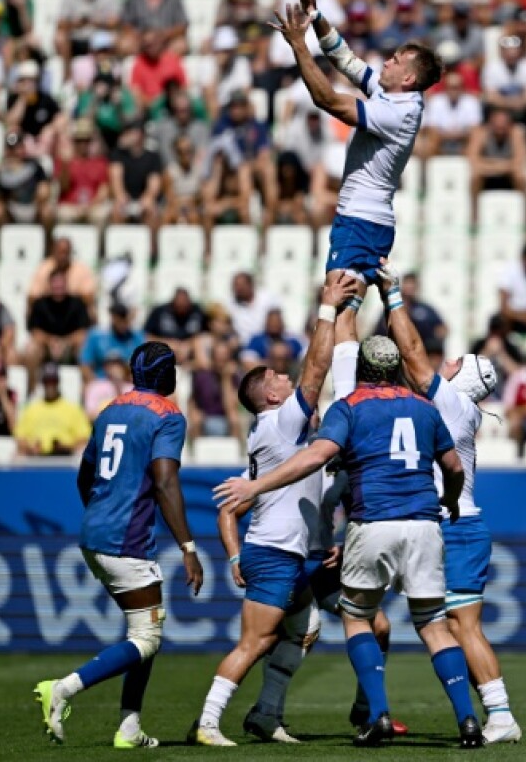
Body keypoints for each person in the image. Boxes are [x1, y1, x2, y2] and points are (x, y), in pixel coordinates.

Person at [212, 333, 482, 748]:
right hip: (420, 525)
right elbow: (453, 466)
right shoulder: (426, 408)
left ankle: (371, 713)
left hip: (365, 529)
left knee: (358, 621)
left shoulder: (345, 413)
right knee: (431, 624)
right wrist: (449, 501)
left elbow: (318, 453)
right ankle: (467, 719)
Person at [187, 276, 350, 747]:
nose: (287, 376)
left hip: (289, 555)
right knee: (255, 643)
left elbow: (229, 509)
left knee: (306, 627)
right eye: (279, 378)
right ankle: (208, 721)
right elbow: (316, 372)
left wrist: (236, 556)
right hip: (276, 553)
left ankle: (266, 714)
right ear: (274, 398)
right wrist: (326, 310)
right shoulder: (281, 423)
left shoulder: (274, 436)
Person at [368, 266, 523, 743]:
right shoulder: (456, 408)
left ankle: (501, 715)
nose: (446, 363)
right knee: (445, 626)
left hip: (456, 525)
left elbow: (412, 355)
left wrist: (393, 299)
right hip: (441, 525)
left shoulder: (452, 403)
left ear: (466, 379)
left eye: (456, 361)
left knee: (463, 625)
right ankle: (487, 710)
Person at [33, 343, 204, 750]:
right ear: (167, 377)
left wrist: (101, 514)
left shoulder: (109, 410)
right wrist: (188, 546)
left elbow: (84, 475)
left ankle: (129, 728)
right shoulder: (168, 415)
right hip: (124, 539)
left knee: (143, 631)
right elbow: (164, 482)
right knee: (147, 638)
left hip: (93, 532)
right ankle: (62, 688)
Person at [274, 0, 440, 291]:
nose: (386, 61)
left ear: (407, 77)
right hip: (372, 221)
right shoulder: (395, 95)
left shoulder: (396, 113)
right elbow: (344, 59)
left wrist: (298, 45)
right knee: (344, 311)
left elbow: (327, 100)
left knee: (332, 304)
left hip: (358, 220)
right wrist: (316, 16)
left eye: (395, 61)